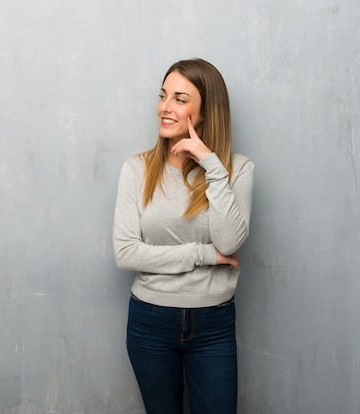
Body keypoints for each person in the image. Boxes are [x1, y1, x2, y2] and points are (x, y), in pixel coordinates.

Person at [112, 58, 254, 414]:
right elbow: (127, 253)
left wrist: (212, 167)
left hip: (213, 324)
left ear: (205, 112)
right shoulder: (137, 169)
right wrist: (205, 256)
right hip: (150, 321)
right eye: (163, 96)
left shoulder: (237, 170)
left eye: (179, 98)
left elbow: (230, 243)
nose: (164, 107)